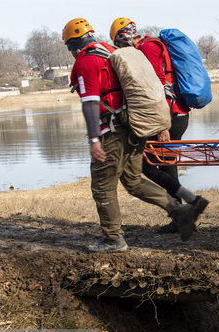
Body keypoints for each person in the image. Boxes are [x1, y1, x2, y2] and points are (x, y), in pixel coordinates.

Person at [63, 17, 206, 252]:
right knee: (134, 180)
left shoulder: (86, 61)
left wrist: (94, 140)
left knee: (102, 186)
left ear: (72, 46)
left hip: (111, 132)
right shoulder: (110, 51)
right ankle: (180, 212)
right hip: (134, 128)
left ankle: (113, 239)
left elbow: (89, 103)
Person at [109, 17, 208, 232]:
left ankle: (187, 208)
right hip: (172, 115)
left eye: (118, 44)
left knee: (147, 165)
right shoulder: (148, 46)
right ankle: (184, 213)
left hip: (170, 117)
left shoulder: (148, 48)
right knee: (165, 165)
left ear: (122, 38)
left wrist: (163, 127)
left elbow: (159, 86)